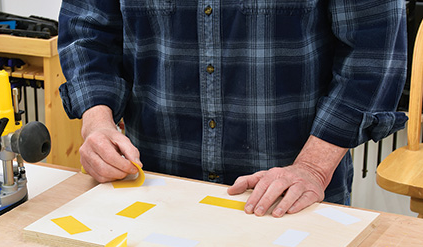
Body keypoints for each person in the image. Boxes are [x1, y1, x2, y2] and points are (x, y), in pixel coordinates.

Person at [57, 0, 407, 217]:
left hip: (288, 200)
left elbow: (374, 54)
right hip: (151, 189)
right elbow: (88, 34)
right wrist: (97, 122)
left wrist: (313, 169)